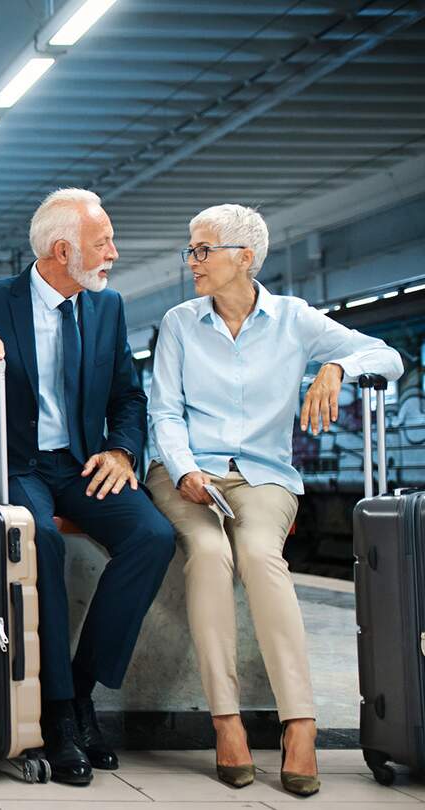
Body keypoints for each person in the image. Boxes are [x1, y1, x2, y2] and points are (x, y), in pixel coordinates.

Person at [0, 187, 175, 786]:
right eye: (103, 244)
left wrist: (123, 449)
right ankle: (57, 716)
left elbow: (129, 395)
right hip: (9, 464)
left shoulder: (107, 308)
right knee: (37, 542)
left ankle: (80, 689)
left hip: (79, 463)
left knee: (152, 535)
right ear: (61, 249)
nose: (114, 254)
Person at [146, 203, 403, 797]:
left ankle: (300, 724)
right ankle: (226, 722)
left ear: (244, 258)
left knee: (260, 557)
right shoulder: (181, 322)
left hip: (263, 478)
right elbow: (164, 412)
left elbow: (387, 357)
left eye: (202, 250)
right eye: (192, 249)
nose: (192, 262)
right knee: (209, 555)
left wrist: (336, 366)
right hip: (187, 475)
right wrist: (184, 470)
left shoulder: (295, 320)